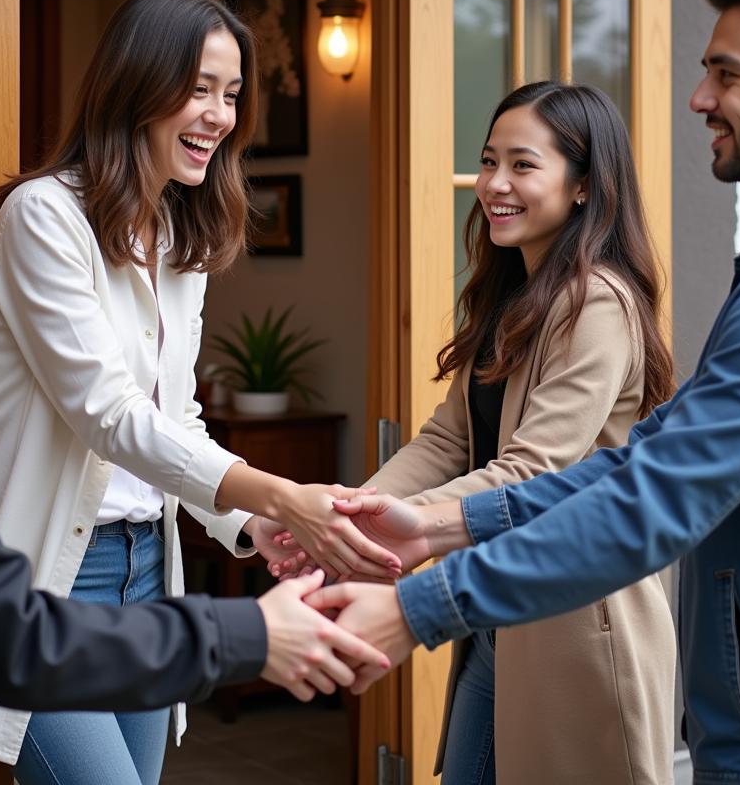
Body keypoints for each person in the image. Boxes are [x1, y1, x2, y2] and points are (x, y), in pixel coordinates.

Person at [0, 0, 390, 785]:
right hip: (46, 582)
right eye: (198, 90)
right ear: (137, 87)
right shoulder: (43, 216)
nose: (219, 116)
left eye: (231, 95)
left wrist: (242, 529)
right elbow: (109, 415)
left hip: (149, 572)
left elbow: (174, 415)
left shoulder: (179, 232)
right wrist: (277, 495)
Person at [311, 0, 740, 783]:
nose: (699, 97)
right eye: (490, 161)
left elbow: (642, 493)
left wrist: (418, 600)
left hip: (708, 695)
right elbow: (635, 459)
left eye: (728, 74)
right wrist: (370, 516)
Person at [283, 82, 678, 783]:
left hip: (575, 624)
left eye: (523, 165)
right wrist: (343, 516)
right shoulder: (517, 297)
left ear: (584, 186)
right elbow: (446, 442)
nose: (494, 183)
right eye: (488, 161)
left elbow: (534, 470)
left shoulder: (598, 305)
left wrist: (405, 526)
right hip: (494, 617)